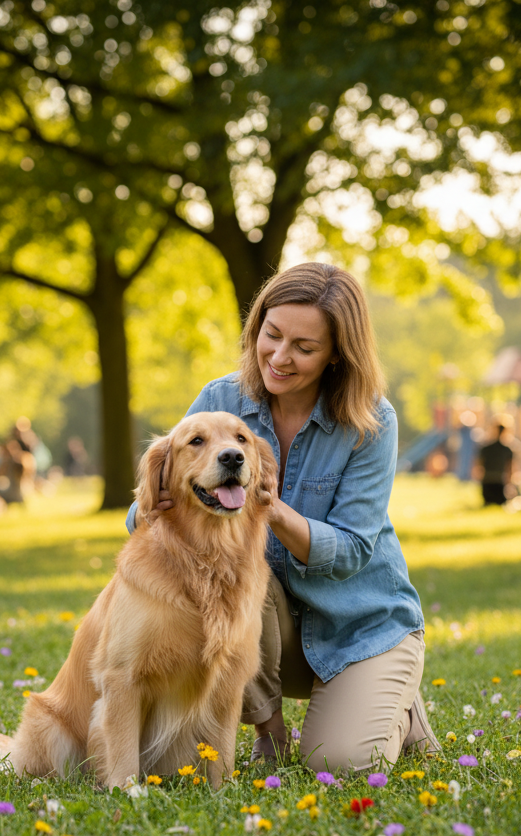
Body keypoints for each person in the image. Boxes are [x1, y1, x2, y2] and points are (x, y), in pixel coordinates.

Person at [126, 262, 441, 774]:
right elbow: (142, 515)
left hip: (360, 629)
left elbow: (352, 551)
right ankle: (269, 729)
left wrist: (271, 510)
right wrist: (156, 499)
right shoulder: (221, 400)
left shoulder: (372, 420)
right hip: (271, 636)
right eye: (271, 335)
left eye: (304, 347)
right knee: (231, 574)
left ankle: (396, 701)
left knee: (339, 763)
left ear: (337, 353)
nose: (279, 357)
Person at [477, 422, 514, 506]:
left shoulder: (485, 449)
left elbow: (478, 468)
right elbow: (510, 471)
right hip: (498, 484)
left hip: (487, 484)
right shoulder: (507, 450)